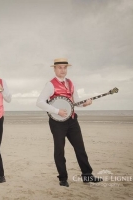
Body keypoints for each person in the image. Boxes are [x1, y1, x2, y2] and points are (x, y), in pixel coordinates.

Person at [36, 58, 102, 187]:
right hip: (57, 122)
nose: (63, 70)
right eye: (60, 67)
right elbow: (39, 102)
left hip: (72, 120)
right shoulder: (50, 84)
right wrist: (56, 110)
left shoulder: (71, 83)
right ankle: (63, 178)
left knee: (80, 148)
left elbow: (75, 101)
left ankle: (87, 175)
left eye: (65, 67)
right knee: (60, 150)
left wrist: (85, 104)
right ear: (54, 69)